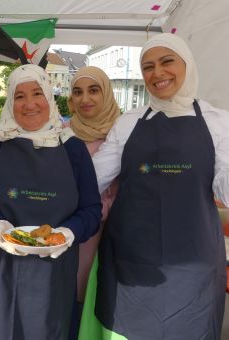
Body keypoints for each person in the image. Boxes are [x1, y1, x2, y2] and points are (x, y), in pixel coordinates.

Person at [92, 33, 229, 339]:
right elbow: (92, 179)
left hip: (193, 262)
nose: (157, 73)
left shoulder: (218, 122)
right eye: (148, 67)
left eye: (167, 62)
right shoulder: (128, 122)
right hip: (131, 258)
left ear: (188, 65)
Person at [0, 64, 102, 340]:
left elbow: (91, 211)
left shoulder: (72, 148)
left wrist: (68, 232)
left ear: (50, 97)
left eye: (37, 93)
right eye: (19, 96)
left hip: (52, 275)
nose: (29, 104)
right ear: (10, 102)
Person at [63, 66, 121, 339]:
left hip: (111, 238)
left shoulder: (124, 135)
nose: (85, 99)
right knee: (69, 308)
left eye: (93, 90)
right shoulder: (60, 134)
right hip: (70, 236)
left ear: (106, 93)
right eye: (78, 92)